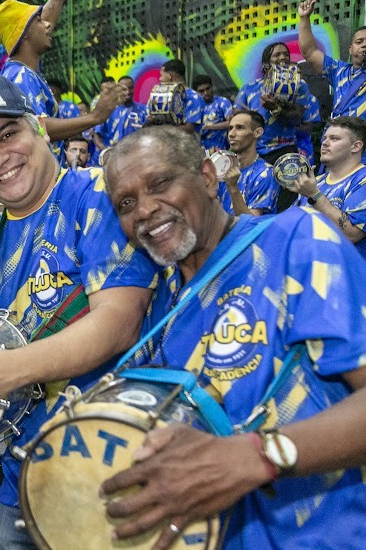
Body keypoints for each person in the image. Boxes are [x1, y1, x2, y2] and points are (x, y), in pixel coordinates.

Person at [100, 125, 366, 549]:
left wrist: (260, 456)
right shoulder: (162, 305)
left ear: (207, 177)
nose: (146, 209)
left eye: (161, 183)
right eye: (126, 203)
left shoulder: (296, 240)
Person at [0, 75, 157, 549]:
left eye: (7, 134)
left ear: (40, 128)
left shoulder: (96, 196)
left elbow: (118, 322)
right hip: (22, 472)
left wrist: (5, 370)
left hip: (107, 466)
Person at [0, 0, 119, 164]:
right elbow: (37, 127)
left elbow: (46, 20)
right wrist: (95, 117)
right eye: (38, 21)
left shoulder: (22, 68)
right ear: (25, 33)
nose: (48, 25)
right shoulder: (20, 76)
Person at [290, 116, 366, 258]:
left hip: (348, 276)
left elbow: (351, 234)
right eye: (325, 138)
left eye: (334, 138)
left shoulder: (362, 179)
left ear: (356, 146)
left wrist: (315, 196)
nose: (325, 143)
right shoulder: (314, 182)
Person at [234, 42, 320, 165]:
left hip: (285, 151)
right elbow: (236, 116)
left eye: (286, 54)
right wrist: (252, 117)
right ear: (266, 63)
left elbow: (297, 118)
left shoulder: (299, 86)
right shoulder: (249, 88)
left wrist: (276, 109)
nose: (283, 57)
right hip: (255, 152)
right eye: (277, 55)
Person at [298, 0, 366, 118]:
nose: (364, 45)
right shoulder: (338, 70)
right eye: (359, 42)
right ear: (350, 49)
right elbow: (310, 52)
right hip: (340, 134)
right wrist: (304, 18)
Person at [218, 110, 279, 215]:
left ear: (257, 133)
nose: (231, 134)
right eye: (230, 128)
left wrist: (233, 188)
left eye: (240, 128)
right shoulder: (223, 169)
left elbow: (251, 224)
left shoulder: (266, 173)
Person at [92, 75, 146, 165]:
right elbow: (96, 135)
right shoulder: (108, 110)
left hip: (134, 160)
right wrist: (106, 151)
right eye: (124, 89)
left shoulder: (143, 110)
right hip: (110, 161)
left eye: (131, 88)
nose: (128, 92)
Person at [159, 59, 205, 136]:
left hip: (186, 147)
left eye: (161, 75)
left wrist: (160, 130)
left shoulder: (193, 97)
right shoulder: (163, 97)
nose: (160, 79)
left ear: (170, 75)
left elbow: (189, 129)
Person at [193, 74, 233, 152]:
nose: (206, 93)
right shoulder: (193, 108)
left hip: (221, 151)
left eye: (208, 88)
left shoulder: (222, 102)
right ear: (196, 92)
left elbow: (232, 123)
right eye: (201, 91)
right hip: (199, 152)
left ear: (212, 86)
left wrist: (209, 127)